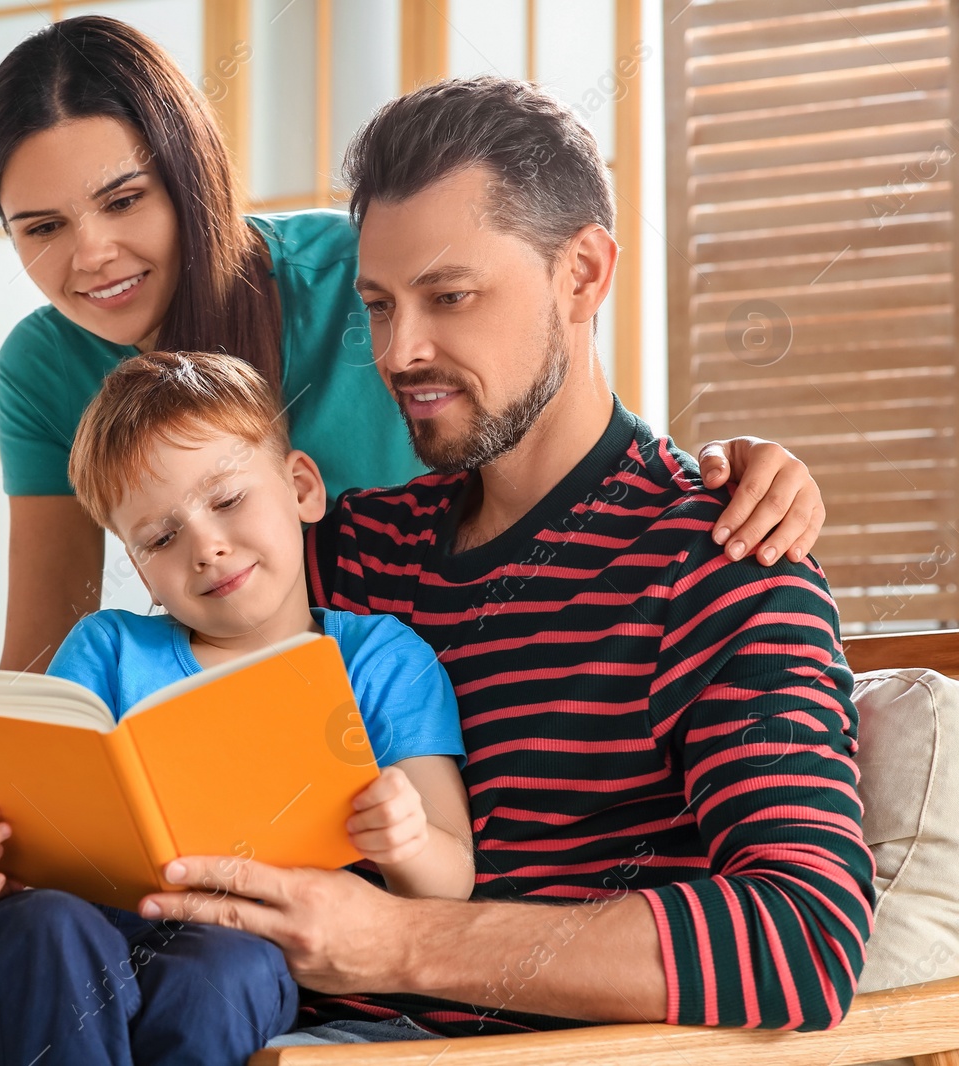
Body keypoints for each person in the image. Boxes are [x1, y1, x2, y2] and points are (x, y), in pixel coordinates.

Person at [134, 76, 875, 1041]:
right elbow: (148, 746)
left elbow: (802, 938)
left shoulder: (724, 559)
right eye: (380, 305)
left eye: (449, 296)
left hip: (445, 1054)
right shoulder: (352, 553)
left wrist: (403, 941)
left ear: (583, 274)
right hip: (219, 1016)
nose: (401, 352)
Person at [0, 15, 828, 674]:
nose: (90, 256)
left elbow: (541, 407)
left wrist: (716, 474)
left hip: (445, 672)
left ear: (191, 176)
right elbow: (43, 651)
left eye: (125, 201)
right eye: (43, 226)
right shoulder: (44, 368)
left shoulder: (358, 275)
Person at [0, 350, 473, 1066]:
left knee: (228, 968)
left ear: (301, 487)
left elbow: (451, 881)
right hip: (67, 927)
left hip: (235, 941)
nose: (205, 547)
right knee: (50, 925)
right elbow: (24, 821)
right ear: (137, 563)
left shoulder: (380, 661)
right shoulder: (107, 648)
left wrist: (406, 841)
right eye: (160, 538)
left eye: (229, 500)